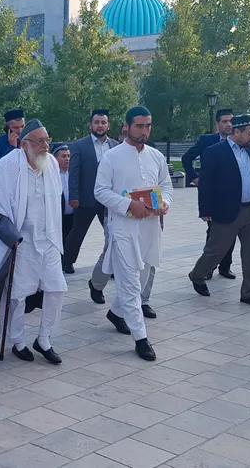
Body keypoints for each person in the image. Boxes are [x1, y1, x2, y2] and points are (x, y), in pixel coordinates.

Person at [0, 119, 67, 364]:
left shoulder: (50, 163)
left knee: (56, 289)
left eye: (47, 140)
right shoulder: (6, 167)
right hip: (22, 243)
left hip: (49, 240)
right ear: (25, 144)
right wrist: (11, 236)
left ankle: (44, 339)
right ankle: (17, 341)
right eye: (40, 142)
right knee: (17, 295)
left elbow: (57, 198)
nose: (45, 146)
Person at [94, 107, 171, 361]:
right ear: (126, 126)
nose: (144, 131)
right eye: (139, 126)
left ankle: (116, 313)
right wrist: (128, 205)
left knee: (142, 277)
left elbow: (166, 185)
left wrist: (165, 203)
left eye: (148, 126)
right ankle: (141, 338)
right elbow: (100, 191)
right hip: (123, 229)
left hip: (150, 228)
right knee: (129, 282)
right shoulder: (111, 157)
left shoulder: (156, 156)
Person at [188, 115, 250, 308]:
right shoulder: (215, 151)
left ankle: (249, 293)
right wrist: (205, 209)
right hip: (226, 209)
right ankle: (198, 274)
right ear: (237, 132)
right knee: (216, 250)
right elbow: (206, 183)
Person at [182, 108, 237, 281]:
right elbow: (186, 158)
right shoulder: (207, 141)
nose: (229, 125)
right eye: (225, 121)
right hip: (213, 194)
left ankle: (225, 266)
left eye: (231, 121)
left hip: (233, 193)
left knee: (232, 229)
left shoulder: (239, 140)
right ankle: (208, 267)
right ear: (217, 124)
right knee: (214, 231)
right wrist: (195, 178)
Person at [64, 109, 120, 275]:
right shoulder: (79, 145)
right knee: (78, 232)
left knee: (113, 234)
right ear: (90, 125)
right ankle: (67, 262)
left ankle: (113, 265)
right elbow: (74, 173)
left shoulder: (115, 146)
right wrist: (73, 196)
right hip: (86, 199)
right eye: (96, 122)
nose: (100, 125)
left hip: (109, 200)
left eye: (103, 122)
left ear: (108, 125)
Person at [54, 144, 75, 246]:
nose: (67, 159)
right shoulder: (52, 175)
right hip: (58, 218)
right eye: (63, 156)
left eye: (68, 156)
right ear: (55, 158)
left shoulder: (73, 173)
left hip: (73, 217)